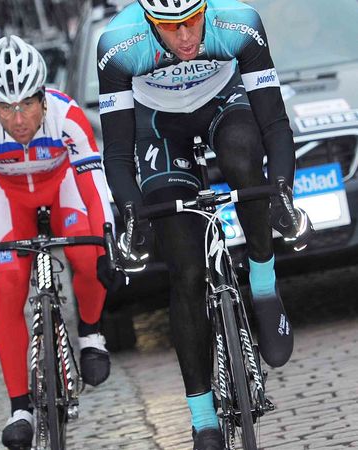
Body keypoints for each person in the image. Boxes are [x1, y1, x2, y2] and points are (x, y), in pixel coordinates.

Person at [96, 1, 313, 448]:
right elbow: (116, 154)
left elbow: (274, 123)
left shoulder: (239, 23)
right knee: (187, 272)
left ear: (207, 9)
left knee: (244, 160)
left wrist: (282, 192)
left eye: (193, 21)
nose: (186, 37)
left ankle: (264, 284)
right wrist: (133, 212)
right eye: (170, 27)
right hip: (157, 126)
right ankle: (203, 419)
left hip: (222, 104)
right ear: (149, 21)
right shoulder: (118, 45)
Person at [0, 35, 114, 449]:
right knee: (7, 284)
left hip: (61, 186)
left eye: (26, 104)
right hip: (7, 198)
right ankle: (19, 408)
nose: (18, 118)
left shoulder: (68, 115)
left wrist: (108, 244)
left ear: (43, 97)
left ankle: (91, 335)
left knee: (88, 252)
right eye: (6, 107)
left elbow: (94, 186)